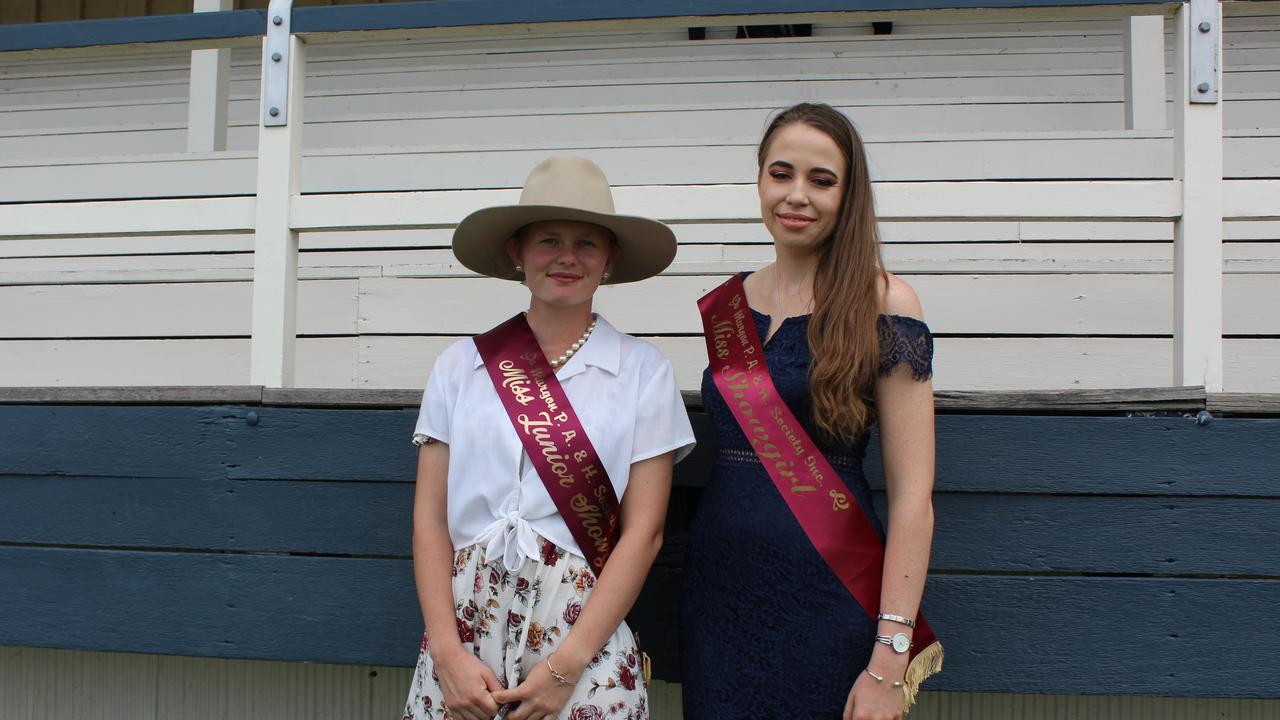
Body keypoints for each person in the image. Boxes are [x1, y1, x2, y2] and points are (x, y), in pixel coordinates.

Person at [402, 156, 696, 720]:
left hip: (582, 644)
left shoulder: (643, 372)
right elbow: (430, 519)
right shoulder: (460, 365)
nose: (567, 257)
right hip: (462, 646)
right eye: (549, 240)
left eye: (587, 243)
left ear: (609, 259)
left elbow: (645, 533)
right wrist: (446, 654)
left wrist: (566, 668)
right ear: (517, 252)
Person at [681, 103, 943, 720]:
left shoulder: (886, 301)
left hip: (830, 595)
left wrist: (889, 656)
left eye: (821, 180)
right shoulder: (728, 306)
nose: (797, 196)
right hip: (720, 590)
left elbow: (914, 498)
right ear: (760, 180)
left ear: (848, 194)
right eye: (781, 173)